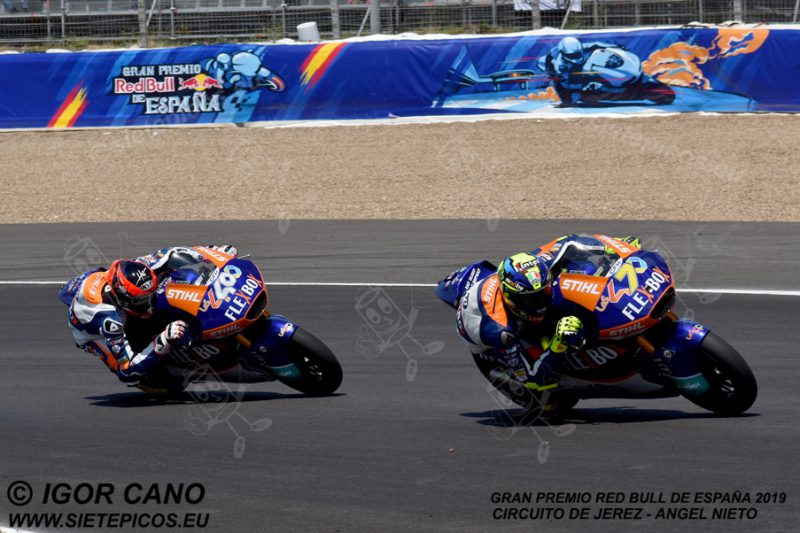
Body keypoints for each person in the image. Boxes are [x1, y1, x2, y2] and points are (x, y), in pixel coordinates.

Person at [455, 234, 640, 400]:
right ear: (511, 299)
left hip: (510, 289)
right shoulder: (500, 330)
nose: (540, 303)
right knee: (543, 376)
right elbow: (532, 376)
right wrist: (558, 343)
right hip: (486, 330)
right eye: (530, 300)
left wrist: (617, 247)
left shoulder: (540, 263)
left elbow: (570, 242)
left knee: (584, 268)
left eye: (544, 292)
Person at [58, 244, 237, 389]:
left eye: (148, 296)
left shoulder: (139, 269)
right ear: (123, 300)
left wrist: (214, 253)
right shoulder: (109, 320)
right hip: (89, 328)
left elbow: (172, 254)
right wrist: (163, 340)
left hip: (100, 281)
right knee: (135, 373)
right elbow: (128, 373)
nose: (150, 303)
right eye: (142, 300)